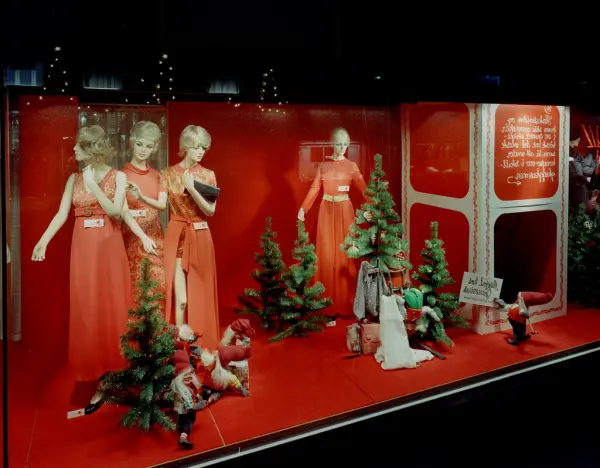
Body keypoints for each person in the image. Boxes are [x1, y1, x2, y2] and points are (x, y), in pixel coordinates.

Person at [31, 125, 155, 414]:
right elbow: (62, 213)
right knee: (87, 308)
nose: (74, 149)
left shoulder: (118, 177)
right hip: (83, 251)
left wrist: (93, 185)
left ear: (93, 149)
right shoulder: (73, 179)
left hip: (108, 249)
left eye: (79, 146)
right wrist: (43, 241)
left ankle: (116, 370)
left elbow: (115, 212)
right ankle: (97, 369)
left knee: (111, 305)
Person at [298, 128, 368, 318]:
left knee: (345, 255)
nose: (342, 147)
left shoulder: (352, 166)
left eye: (345, 144)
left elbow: (365, 190)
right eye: (338, 143)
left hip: (345, 211)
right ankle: (325, 303)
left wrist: (373, 209)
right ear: (331, 143)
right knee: (326, 255)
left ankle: (345, 303)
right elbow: (315, 188)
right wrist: (304, 208)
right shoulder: (323, 166)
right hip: (326, 211)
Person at [161, 125, 220, 349]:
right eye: (196, 147)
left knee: (201, 294)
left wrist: (192, 188)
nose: (200, 151)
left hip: (200, 234)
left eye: (203, 147)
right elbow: (161, 204)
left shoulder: (207, 175)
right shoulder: (167, 174)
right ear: (185, 147)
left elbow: (210, 210)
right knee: (182, 300)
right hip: (177, 234)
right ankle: (179, 346)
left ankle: (202, 343)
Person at [121, 121, 166, 303]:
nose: (143, 150)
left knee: (158, 282)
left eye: (148, 146)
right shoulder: (120, 175)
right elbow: (121, 211)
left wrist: (140, 196)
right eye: (139, 144)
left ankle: (158, 322)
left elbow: (161, 205)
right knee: (134, 283)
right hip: (131, 236)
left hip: (155, 234)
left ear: (154, 148)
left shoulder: (158, 176)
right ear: (132, 142)